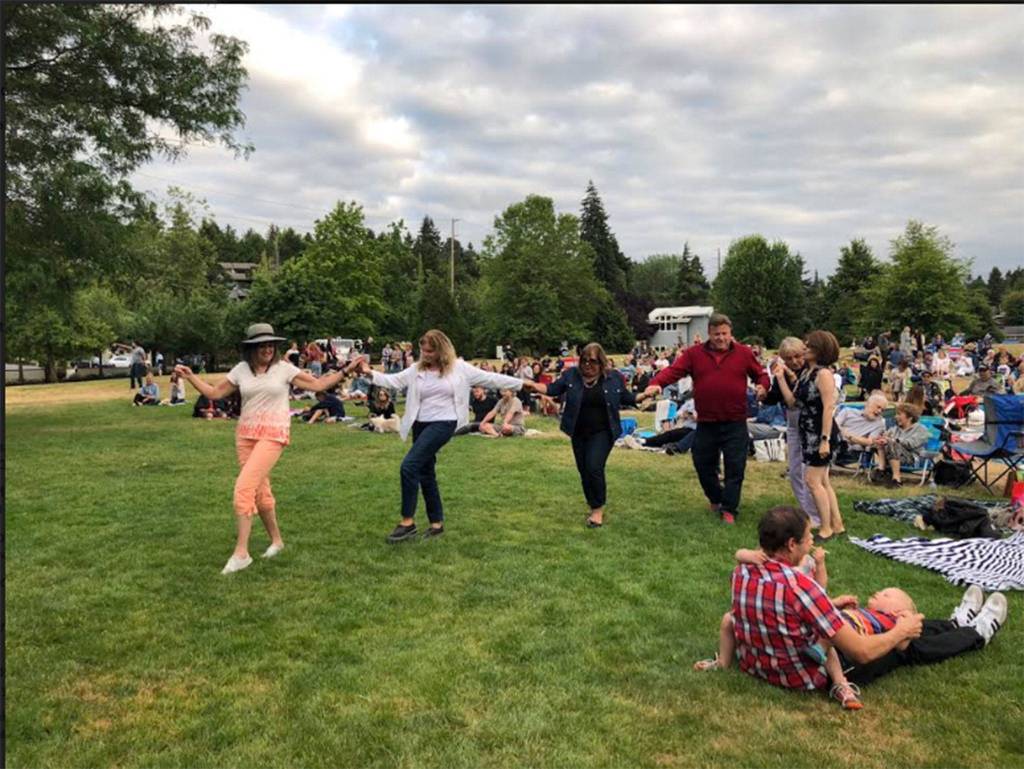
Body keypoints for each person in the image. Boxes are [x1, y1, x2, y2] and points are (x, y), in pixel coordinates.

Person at [176, 322, 358, 574]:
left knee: (243, 488)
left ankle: (241, 553)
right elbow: (215, 393)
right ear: (251, 348)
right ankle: (277, 541)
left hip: (273, 434)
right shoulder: (241, 370)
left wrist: (346, 369)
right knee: (260, 492)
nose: (267, 349)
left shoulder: (284, 369)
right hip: (245, 435)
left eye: (270, 345)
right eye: (262, 345)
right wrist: (190, 377)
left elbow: (318, 385)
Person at [354, 329, 527, 543]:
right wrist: (368, 371)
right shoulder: (416, 370)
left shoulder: (459, 368)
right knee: (425, 472)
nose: (425, 355)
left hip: (445, 422)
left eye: (430, 351)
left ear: (441, 350)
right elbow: (393, 381)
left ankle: (407, 523)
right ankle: (436, 524)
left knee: (409, 466)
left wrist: (524, 384)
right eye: (423, 351)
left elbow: (491, 378)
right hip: (420, 423)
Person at [694, 541, 866, 709]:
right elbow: (815, 600)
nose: (812, 539)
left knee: (728, 619)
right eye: (808, 536)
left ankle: (839, 683)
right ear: (792, 544)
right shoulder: (789, 576)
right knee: (828, 634)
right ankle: (840, 682)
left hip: (765, 640)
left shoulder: (761, 570)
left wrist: (820, 567)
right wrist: (747, 555)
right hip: (790, 653)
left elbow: (817, 596)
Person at [641, 313, 769, 525]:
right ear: (709, 333)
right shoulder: (694, 354)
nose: (721, 338)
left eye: (724, 333)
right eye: (716, 334)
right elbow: (674, 371)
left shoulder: (743, 353)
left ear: (731, 333)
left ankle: (729, 509)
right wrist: (657, 383)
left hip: (735, 421)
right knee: (702, 463)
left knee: (735, 467)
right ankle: (715, 497)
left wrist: (763, 385)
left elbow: (760, 374)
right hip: (707, 422)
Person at [524, 342, 643, 528]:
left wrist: (643, 396)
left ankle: (598, 510)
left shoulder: (613, 378)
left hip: (603, 431)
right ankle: (592, 502)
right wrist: (534, 386)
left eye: (593, 361)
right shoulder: (571, 375)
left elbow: (627, 397)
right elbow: (553, 389)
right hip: (578, 431)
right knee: (584, 470)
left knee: (594, 466)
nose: (588, 364)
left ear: (601, 362)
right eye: (584, 360)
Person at [773, 330, 844, 542]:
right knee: (823, 482)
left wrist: (825, 440)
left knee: (812, 481)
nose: (804, 347)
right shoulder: (807, 374)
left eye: (809, 346)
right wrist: (781, 378)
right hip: (808, 433)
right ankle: (837, 524)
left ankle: (825, 528)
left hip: (820, 434)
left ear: (819, 350)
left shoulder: (824, 374)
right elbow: (792, 402)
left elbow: (828, 406)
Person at [871, 403, 931, 488]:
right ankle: (881, 469)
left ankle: (897, 479)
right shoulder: (895, 429)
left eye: (899, 414)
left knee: (892, 443)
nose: (896, 416)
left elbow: (911, 444)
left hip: (912, 458)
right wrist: (880, 439)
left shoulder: (921, 430)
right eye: (896, 414)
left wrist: (893, 440)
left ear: (910, 417)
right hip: (892, 456)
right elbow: (884, 438)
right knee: (881, 442)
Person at [835, 391, 887, 461]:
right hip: (836, 442)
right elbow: (834, 426)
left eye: (882, 410)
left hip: (851, 452)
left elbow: (869, 442)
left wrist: (849, 436)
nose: (880, 411)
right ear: (868, 404)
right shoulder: (847, 412)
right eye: (878, 407)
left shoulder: (879, 424)